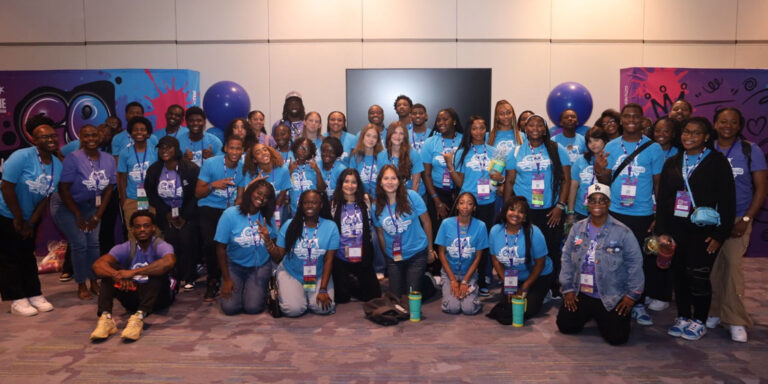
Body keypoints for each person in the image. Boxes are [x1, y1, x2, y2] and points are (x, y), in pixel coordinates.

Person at [656, 117, 735, 341]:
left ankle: (699, 320)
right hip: (675, 228)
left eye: (696, 133)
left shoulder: (717, 162)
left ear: (707, 137)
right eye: (686, 132)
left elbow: (728, 200)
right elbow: (663, 200)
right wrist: (662, 231)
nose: (689, 137)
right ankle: (682, 316)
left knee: (698, 276)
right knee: (679, 274)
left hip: (703, 231)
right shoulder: (673, 161)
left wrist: (720, 235)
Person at [594, 103, 664, 326]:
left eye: (636, 116)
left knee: (638, 260)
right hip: (615, 211)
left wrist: (658, 214)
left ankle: (638, 303)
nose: (631, 119)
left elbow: (658, 184)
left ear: (643, 120)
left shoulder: (654, 149)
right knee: (613, 257)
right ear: (621, 121)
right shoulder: (612, 147)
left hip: (642, 213)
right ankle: (615, 297)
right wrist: (600, 169)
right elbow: (604, 182)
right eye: (627, 116)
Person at [557, 183, 644, 345]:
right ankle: (592, 315)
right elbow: (566, 258)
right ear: (587, 204)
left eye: (602, 201)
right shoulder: (577, 229)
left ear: (609, 203)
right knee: (565, 326)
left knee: (617, 338)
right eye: (593, 200)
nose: (597, 205)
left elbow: (635, 263)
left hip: (611, 295)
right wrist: (567, 289)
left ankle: (604, 316)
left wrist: (632, 296)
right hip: (581, 292)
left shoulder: (623, 232)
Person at [707, 107, 767, 342]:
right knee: (711, 268)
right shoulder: (707, 148)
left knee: (732, 268)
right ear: (715, 124)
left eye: (732, 122)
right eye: (723, 121)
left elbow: (761, 188)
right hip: (710, 218)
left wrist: (745, 219)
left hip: (737, 218)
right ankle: (713, 311)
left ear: (739, 126)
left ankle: (735, 320)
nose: (727, 126)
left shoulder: (750, 150)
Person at [0, 115, 62, 316]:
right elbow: (7, 187)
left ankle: (34, 293)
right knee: (10, 256)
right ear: (34, 140)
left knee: (27, 254)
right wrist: (18, 218)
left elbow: (46, 196)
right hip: (6, 212)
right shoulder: (22, 157)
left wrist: (31, 222)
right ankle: (17, 299)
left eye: (53, 136)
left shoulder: (56, 164)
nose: (50, 140)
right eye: (44, 137)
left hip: (28, 216)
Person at [503, 114, 571, 297]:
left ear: (544, 129)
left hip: (551, 210)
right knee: (525, 247)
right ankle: (529, 283)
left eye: (539, 125)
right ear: (524, 129)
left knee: (551, 247)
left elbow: (566, 180)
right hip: (524, 211)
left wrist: (560, 206)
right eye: (530, 125)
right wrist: (506, 210)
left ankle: (552, 286)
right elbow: (509, 182)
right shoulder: (516, 152)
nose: (534, 128)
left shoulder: (557, 149)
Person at [90, 211, 176, 342]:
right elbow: (98, 265)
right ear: (132, 229)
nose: (142, 229)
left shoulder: (161, 245)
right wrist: (117, 275)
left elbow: (169, 262)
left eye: (146, 226)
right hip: (133, 294)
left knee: (158, 271)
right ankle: (106, 318)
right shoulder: (124, 247)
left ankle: (139, 318)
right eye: (138, 226)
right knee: (108, 272)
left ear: (154, 228)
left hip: (159, 297)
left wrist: (132, 273)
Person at [52, 124, 116, 299]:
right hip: (67, 206)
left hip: (92, 205)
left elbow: (109, 189)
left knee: (94, 244)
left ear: (100, 136)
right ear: (80, 137)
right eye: (86, 136)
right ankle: (81, 283)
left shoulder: (109, 159)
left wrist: (98, 215)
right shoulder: (73, 158)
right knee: (80, 243)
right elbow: (63, 189)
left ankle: (94, 280)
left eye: (94, 135)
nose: (91, 139)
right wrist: (78, 215)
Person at [265, 190, 340, 317]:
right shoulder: (290, 225)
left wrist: (322, 289)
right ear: (301, 205)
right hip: (292, 273)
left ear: (321, 205)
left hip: (317, 274)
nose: (309, 206)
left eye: (314, 202)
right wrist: (268, 241)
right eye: (305, 202)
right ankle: (279, 285)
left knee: (323, 308)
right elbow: (278, 256)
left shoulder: (331, 226)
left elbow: (329, 260)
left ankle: (306, 294)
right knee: (294, 310)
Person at [446, 116, 496, 295]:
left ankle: (482, 279)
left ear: (486, 130)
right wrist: (450, 166)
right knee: (467, 242)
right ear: (470, 131)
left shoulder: (494, 151)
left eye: (482, 128)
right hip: (467, 203)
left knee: (483, 244)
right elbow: (460, 182)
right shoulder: (462, 152)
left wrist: (500, 179)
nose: (478, 132)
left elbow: (498, 179)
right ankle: (464, 276)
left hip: (487, 202)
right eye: (474, 128)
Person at [144, 136, 200, 291]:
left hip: (187, 214)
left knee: (186, 239)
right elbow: (151, 194)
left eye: (168, 147)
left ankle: (190, 277)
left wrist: (184, 217)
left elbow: (196, 194)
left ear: (176, 149)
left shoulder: (190, 168)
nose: (164, 151)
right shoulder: (154, 170)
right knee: (170, 241)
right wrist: (166, 213)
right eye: (161, 148)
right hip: (165, 213)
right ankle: (174, 275)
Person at [195, 136, 246, 301]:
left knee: (233, 241)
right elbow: (197, 193)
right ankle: (213, 280)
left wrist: (234, 214)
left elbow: (240, 196)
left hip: (229, 210)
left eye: (238, 149)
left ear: (243, 151)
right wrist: (212, 185)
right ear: (225, 148)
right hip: (209, 207)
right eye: (232, 148)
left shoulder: (243, 168)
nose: (235, 152)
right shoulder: (211, 164)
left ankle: (230, 277)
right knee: (212, 243)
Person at [215, 179, 277, 315]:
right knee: (230, 309)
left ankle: (261, 290)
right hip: (234, 266)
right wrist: (226, 279)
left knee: (252, 308)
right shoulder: (230, 214)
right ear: (250, 192)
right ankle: (236, 286)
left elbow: (275, 249)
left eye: (266, 196)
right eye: (259, 193)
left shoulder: (267, 217)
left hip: (259, 266)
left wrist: (267, 238)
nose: (261, 198)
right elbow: (220, 248)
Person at [487, 197, 554, 322]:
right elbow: (495, 260)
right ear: (505, 211)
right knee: (506, 309)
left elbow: (540, 263)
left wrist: (525, 287)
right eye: (512, 210)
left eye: (520, 212)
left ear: (524, 216)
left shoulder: (534, 232)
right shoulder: (495, 231)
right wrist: (508, 284)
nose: (515, 214)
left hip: (537, 276)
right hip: (513, 277)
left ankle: (544, 293)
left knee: (526, 310)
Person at [372, 165, 435, 296]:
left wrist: (430, 250)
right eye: (386, 178)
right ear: (380, 182)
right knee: (396, 297)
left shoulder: (412, 196)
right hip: (394, 257)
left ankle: (428, 281)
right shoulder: (376, 206)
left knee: (411, 296)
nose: (390, 182)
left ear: (399, 181)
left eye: (393, 178)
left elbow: (427, 222)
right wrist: (387, 256)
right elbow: (380, 233)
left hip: (416, 253)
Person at [330, 169, 381, 303]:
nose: (350, 185)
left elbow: (372, 226)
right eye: (346, 181)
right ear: (341, 183)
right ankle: (348, 283)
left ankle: (353, 283)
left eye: (354, 182)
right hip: (340, 256)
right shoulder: (333, 203)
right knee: (341, 298)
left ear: (358, 184)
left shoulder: (366, 201)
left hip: (362, 255)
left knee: (374, 296)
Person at [435, 192, 488, 315]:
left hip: (469, 273)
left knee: (469, 309)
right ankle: (440, 284)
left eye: (469, 204)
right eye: (462, 203)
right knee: (452, 308)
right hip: (450, 273)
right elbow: (441, 253)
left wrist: (465, 281)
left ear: (474, 207)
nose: (465, 206)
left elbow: (478, 257)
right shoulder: (446, 224)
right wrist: (453, 280)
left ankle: (473, 290)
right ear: (457, 206)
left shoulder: (481, 226)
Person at [422, 108, 463, 232]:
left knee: (458, 231)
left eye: (445, 119)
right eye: (438, 120)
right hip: (437, 193)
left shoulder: (464, 140)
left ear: (454, 121)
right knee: (438, 231)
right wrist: (437, 201)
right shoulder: (430, 142)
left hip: (460, 193)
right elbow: (426, 174)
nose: (441, 123)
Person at [117, 116, 158, 238]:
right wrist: (124, 201)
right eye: (135, 129)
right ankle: (136, 257)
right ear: (131, 133)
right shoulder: (125, 153)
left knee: (155, 232)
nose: (139, 132)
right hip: (132, 200)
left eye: (143, 129)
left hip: (152, 199)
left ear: (148, 133)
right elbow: (122, 178)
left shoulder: (155, 151)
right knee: (134, 234)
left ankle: (154, 257)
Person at [237, 143, 290, 227]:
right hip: (257, 207)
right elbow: (246, 194)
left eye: (265, 150)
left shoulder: (283, 169)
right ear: (254, 160)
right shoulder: (251, 173)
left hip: (276, 207)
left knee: (275, 231)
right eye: (258, 152)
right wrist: (254, 182)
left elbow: (283, 192)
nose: (263, 153)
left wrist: (274, 210)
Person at [568, 126, 608, 222]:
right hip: (581, 211)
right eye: (589, 141)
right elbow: (573, 187)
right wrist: (570, 211)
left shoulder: (610, 159)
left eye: (596, 140)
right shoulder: (580, 160)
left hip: (604, 211)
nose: (593, 144)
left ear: (604, 140)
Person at [378, 121, 423, 193]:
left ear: (405, 136)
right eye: (394, 133)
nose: (397, 136)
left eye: (401, 133)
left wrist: (411, 200)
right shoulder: (381, 156)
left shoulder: (413, 154)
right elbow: (382, 181)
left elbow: (416, 182)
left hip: (413, 193)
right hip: (392, 194)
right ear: (389, 134)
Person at [287, 137, 326, 214]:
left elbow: (322, 189)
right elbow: (283, 188)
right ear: (295, 149)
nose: (303, 151)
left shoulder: (315, 166)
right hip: (295, 211)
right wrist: (289, 172)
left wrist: (317, 171)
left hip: (313, 209)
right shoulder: (289, 166)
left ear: (311, 152)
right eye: (301, 148)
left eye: (307, 149)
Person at [349, 124, 383, 197]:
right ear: (362, 137)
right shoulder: (356, 157)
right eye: (368, 135)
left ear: (377, 140)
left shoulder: (382, 157)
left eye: (374, 137)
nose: (371, 139)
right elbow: (351, 180)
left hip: (380, 199)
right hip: (361, 198)